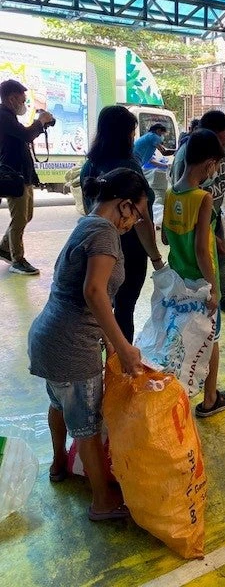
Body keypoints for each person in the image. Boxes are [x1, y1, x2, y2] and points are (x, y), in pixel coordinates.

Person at [28, 168, 150, 520]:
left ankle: (57, 465)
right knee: (87, 426)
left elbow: (89, 297)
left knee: (60, 404)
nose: (135, 223)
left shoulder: (86, 224)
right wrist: (124, 347)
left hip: (49, 338)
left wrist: (111, 347)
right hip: (72, 345)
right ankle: (102, 501)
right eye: (138, 215)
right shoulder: (105, 233)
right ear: (125, 206)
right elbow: (94, 291)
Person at [163, 128, 225, 417]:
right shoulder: (203, 197)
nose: (215, 171)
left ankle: (178, 391)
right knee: (211, 339)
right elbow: (202, 252)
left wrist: (209, 236)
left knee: (182, 337)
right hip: (202, 282)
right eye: (217, 166)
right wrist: (214, 288)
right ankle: (209, 399)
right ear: (208, 164)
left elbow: (168, 238)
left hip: (179, 280)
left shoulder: (171, 194)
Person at [80, 106, 164, 342]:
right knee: (124, 309)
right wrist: (156, 259)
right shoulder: (128, 167)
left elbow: (90, 211)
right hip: (129, 250)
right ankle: (123, 364)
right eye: (131, 132)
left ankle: (109, 355)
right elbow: (142, 219)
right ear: (125, 134)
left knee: (105, 305)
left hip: (98, 248)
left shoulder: (90, 164)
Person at [171, 110, 225, 316]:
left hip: (213, 215)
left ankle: (220, 296)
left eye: (224, 141)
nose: (222, 147)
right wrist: (209, 236)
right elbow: (181, 200)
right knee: (201, 256)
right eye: (218, 142)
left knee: (219, 258)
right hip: (193, 220)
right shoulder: (185, 158)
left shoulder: (224, 151)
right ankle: (205, 295)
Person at [0, 79, 54, 275]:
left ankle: (5, 247)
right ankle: (18, 260)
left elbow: (24, 135)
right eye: (23, 99)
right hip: (13, 175)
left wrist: (41, 125)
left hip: (23, 175)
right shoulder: (3, 116)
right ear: (12, 98)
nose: (24, 103)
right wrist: (40, 122)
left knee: (26, 216)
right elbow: (26, 135)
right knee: (20, 219)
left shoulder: (10, 117)